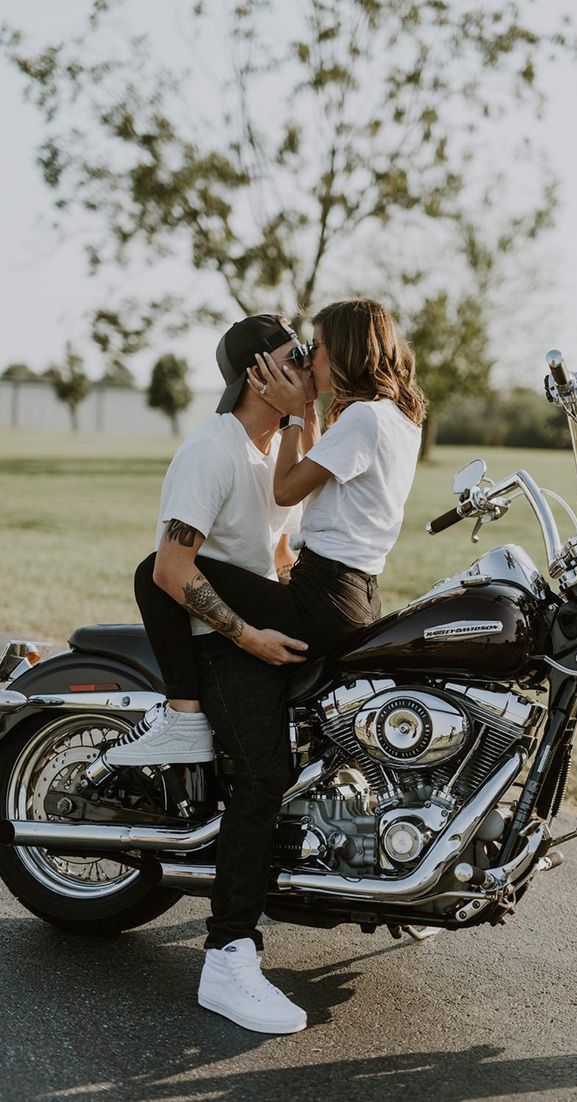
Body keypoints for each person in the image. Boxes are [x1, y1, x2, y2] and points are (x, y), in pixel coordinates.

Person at [113, 299, 425, 1034]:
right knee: (264, 773)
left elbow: (281, 544)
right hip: (228, 641)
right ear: (260, 373)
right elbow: (168, 569)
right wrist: (250, 635)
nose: (309, 364)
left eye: (313, 351)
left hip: (291, 614)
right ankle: (227, 956)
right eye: (296, 354)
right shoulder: (213, 451)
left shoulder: (282, 450)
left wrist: (297, 428)